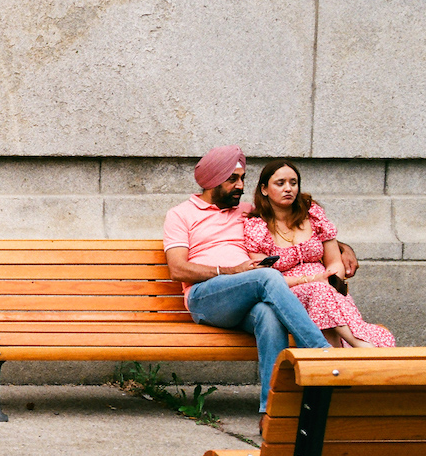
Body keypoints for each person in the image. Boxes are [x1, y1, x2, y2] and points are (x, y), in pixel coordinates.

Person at [162, 145, 330, 412]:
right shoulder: (181, 215)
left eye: (242, 178)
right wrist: (231, 271)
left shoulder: (248, 210)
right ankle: (321, 354)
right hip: (205, 297)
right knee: (265, 277)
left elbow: (297, 228)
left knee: (268, 315)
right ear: (212, 182)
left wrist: (343, 249)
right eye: (232, 180)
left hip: (246, 296)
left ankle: (273, 411)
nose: (240, 186)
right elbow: (178, 269)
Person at [241, 160, 396, 349]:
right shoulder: (256, 227)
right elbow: (264, 279)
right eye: (280, 183)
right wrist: (312, 280)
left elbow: (334, 262)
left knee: (324, 296)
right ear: (264, 189)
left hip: (327, 288)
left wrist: (331, 278)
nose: (288, 188)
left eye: (293, 182)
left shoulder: (312, 213)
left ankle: (337, 360)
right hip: (287, 294)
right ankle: (363, 346)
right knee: (319, 291)